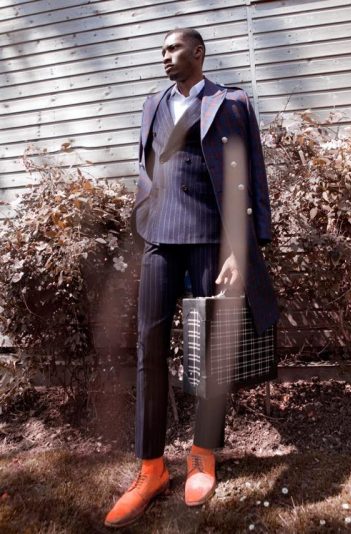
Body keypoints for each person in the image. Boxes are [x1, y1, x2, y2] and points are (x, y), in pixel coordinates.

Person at [104, 27, 279, 528]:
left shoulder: (231, 102)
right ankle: (151, 468)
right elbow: (147, 164)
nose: (165, 56)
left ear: (198, 53)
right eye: (161, 50)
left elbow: (253, 173)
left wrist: (241, 248)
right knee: (149, 348)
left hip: (210, 239)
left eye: (174, 48)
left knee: (213, 350)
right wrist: (143, 212)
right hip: (161, 237)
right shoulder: (153, 102)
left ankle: (203, 454)